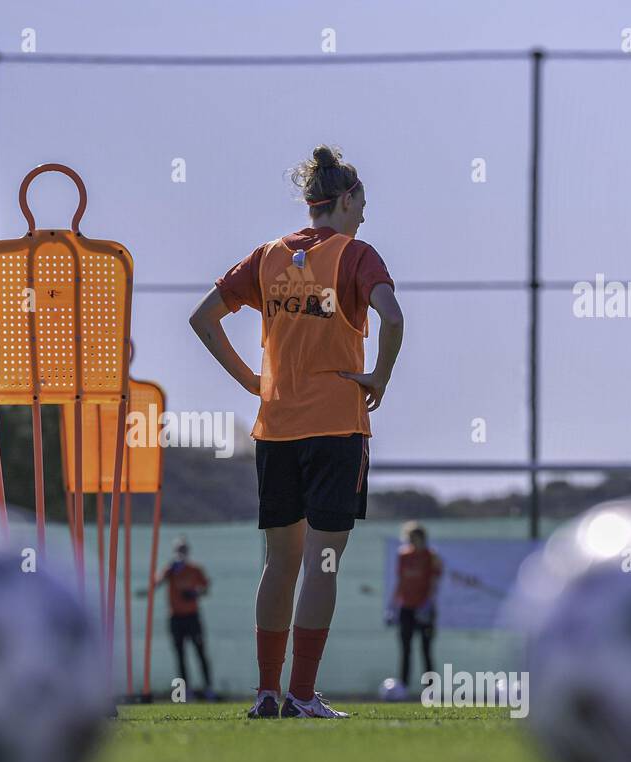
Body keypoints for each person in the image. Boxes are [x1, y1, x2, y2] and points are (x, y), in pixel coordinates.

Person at [188, 145, 405, 718]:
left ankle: (266, 693)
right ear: (346, 200)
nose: (364, 216)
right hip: (336, 426)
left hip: (276, 427)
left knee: (279, 563)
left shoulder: (268, 256)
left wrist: (250, 381)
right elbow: (394, 315)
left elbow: (202, 317)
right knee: (323, 563)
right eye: (362, 204)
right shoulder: (356, 255)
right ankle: (303, 695)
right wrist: (379, 375)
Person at [141, 538, 214, 699]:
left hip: (192, 617)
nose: (181, 553)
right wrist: (166, 572)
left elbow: (206, 587)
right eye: (178, 550)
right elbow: (156, 582)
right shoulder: (171, 569)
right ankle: (183, 692)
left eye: (183, 550)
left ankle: (208, 689)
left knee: (200, 652)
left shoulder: (194, 569)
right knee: (180, 655)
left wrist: (195, 593)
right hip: (175, 618)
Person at [387, 522, 443, 698]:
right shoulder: (404, 555)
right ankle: (402, 687)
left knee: (426, 649)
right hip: (407, 608)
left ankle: (431, 690)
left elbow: (434, 582)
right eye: (410, 538)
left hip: (425, 608)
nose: (413, 542)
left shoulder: (431, 556)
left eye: (416, 538)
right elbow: (400, 582)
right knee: (405, 649)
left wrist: (428, 604)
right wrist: (393, 606)